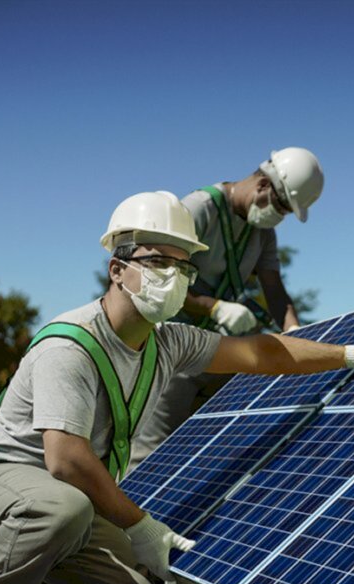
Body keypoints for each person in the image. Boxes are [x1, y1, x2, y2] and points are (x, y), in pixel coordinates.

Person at [0, 190, 354, 584]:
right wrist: (141, 525)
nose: (173, 278)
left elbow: (260, 351)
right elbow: (66, 460)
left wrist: (351, 353)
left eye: (183, 267)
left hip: (67, 498)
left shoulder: (169, 342)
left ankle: (30, 570)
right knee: (62, 509)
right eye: (157, 263)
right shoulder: (71, 347)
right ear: (117, 269)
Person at [130, 147, 325, 467]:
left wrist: (294, 330)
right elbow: (154, 280)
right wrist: (214, 307)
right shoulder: (197, 210)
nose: (279, 216)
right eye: (281, 206)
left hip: (217, 352)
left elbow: (274, 289)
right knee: (150, 456)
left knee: (205, 451)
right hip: (170, 349)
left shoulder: (262, 232)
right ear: (263, 185)